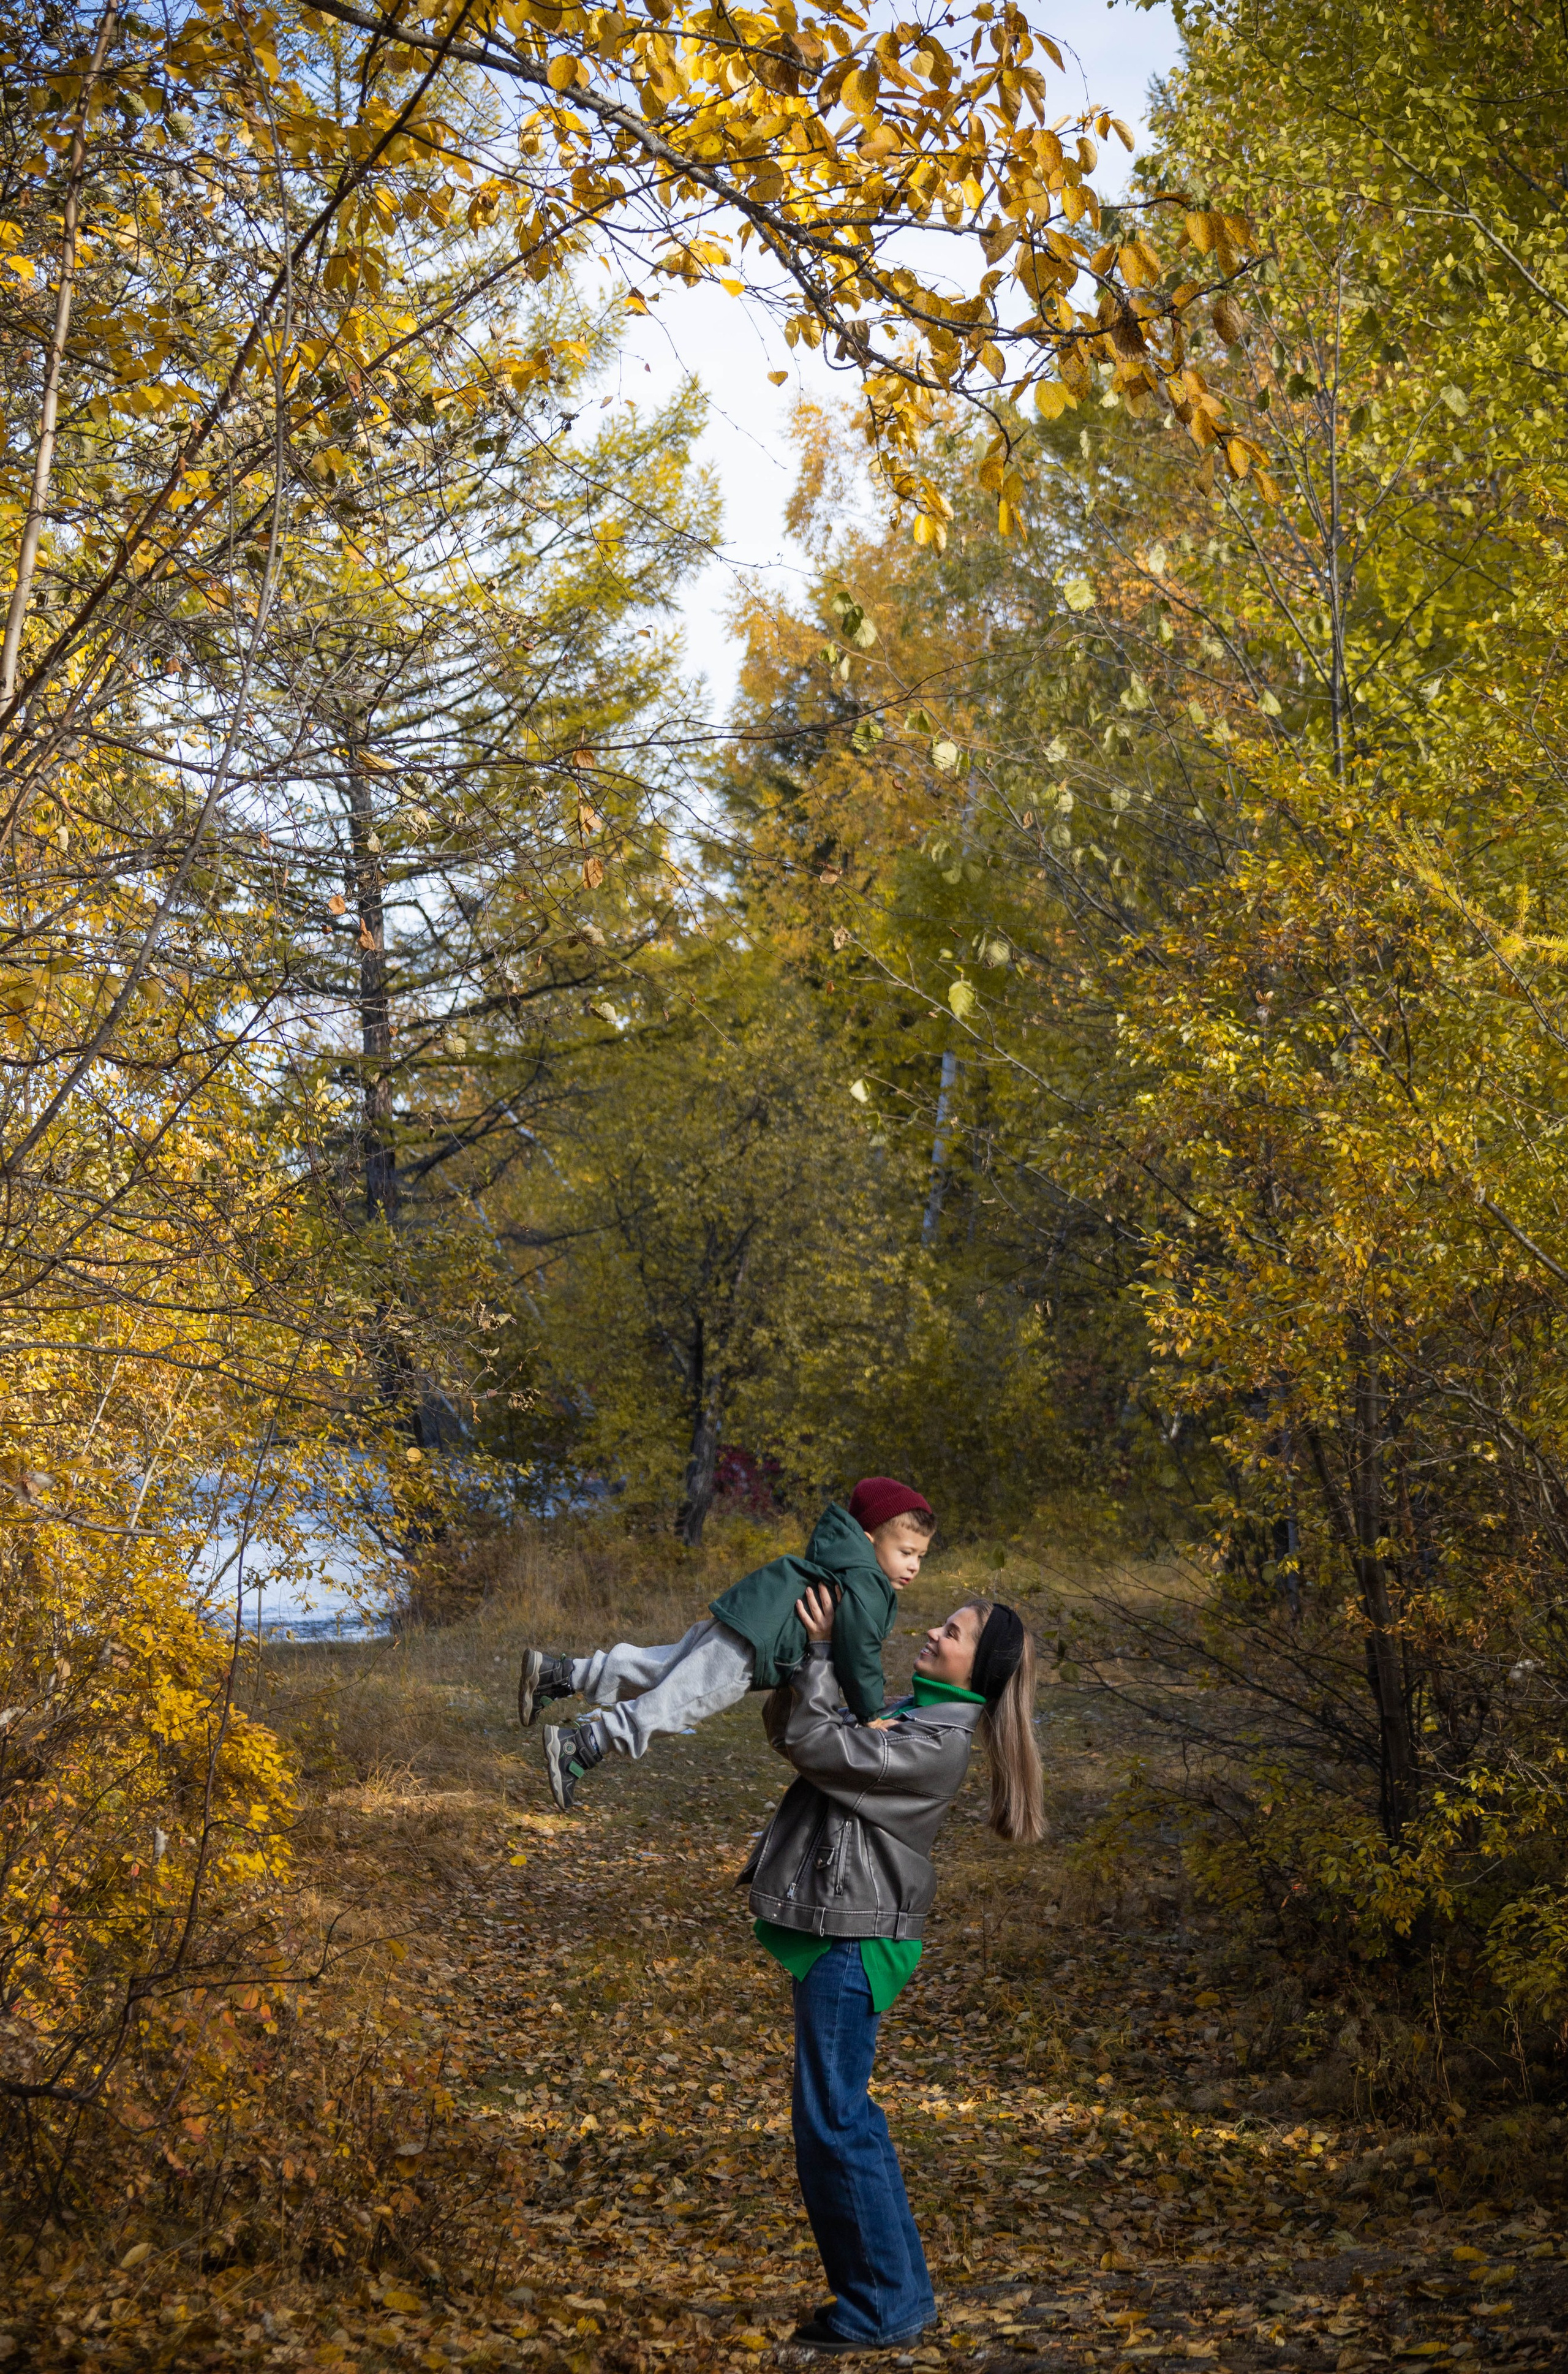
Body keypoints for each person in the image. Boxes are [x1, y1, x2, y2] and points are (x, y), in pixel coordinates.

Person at [744, 1581, 1045, 2354]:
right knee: (841, 2118)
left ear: (980, 1667)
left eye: (954, 1630)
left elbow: (820, 1748)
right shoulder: (910, 1711)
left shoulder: (934, 1741)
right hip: (842, 1926)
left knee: (835, 2122)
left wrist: (819, 1656)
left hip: (856, 1939)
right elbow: (799, 1734)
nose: (934, 1631)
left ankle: (881, 2306)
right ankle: (896, 2294)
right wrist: (808, 1659)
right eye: (943, 1621)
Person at [516, 1477, 937, 1812]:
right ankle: (586, 1744)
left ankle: (560, 1673)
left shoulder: (841, 1560)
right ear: (868, 1539)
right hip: (754, 1647)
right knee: (681, 1699)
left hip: (749, 1617)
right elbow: (861, 1651)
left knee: (663, 1669)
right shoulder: (868, 1581)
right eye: (906, 1552)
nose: (914, 1565)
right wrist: (868, 1714)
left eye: (921, 1555)